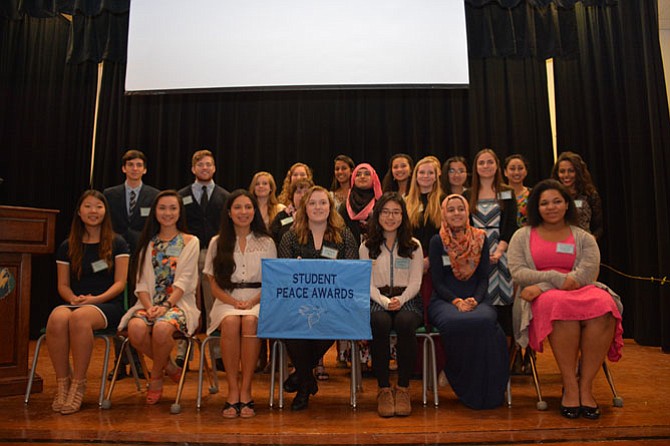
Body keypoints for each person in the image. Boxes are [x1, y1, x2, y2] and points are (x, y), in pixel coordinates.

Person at [508, 179, 623, 420]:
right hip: (543, 298)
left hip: (581, 289)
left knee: (605, 305)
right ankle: (570, 387)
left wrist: (545, 283)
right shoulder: (522, 236)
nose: (551, 207)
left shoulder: (583, 237)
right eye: (544, 203)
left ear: (567, 205)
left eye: (557, 201)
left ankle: (585, 386)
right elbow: (518, 272)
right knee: (559, 306)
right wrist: (552, 281)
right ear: (536, 208)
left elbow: (587, 274)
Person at [277, 186, 359, 411]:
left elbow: (352, 274)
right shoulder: (290, 237)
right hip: (297, 304)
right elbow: (283, 276)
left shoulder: (344, 237)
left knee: (328, 326)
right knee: (292, 330)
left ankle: (301, 378)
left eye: (323, 203)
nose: (318, 207)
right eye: (312, 203)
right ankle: (306, 382)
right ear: (305, 207)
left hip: (334, 306)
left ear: (330, 207)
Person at [48, 190, 129, 414]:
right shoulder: (67, 245)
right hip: (77, 301)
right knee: (57, 317)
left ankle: (79, 384)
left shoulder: (118, 243)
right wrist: (72, 298)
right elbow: (62, 285)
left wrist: (96, 299)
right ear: (79, 212)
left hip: (108, 303)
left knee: (79, 318)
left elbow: (120, 283)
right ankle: (63, 382)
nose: (93, 211)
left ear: (105, 211)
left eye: (99, 207)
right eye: (88, 206)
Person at [118, 190, 200, 405]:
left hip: (178, 304)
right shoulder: (148, 244)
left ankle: (155, 378)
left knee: (163, 328)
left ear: (180, 211)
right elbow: (142, 284)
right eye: (162, 208)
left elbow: (184, 282)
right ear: (155, 212)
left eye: (173, 208)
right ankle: (170, 366)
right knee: (135, 329)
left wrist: (164, 306)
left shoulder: (190, 242)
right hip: (149, 304)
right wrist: (149, 307)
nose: (167, 213)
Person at [428, 194, 508, 409]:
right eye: (451, 209)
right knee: (456, 321)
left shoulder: (480, 238)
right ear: (443, 213)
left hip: (478, 298)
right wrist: (456, 302)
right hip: (445, 300)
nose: (456, 213)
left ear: (467, 212)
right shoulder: (438, 241)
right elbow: (437, 281)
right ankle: (456, 373)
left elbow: (483, 278)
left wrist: (475, 300)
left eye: (460, 209)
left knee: (484, 321)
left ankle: (488, 389)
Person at [204, 190, 277, 418]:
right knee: (231, 322)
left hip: (259, 298)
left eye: (248, 207)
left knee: (250, 322)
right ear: (229, 212)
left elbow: (273, 281)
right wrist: (234, 301)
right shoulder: (217, 242)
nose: (243, 212)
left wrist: (252, 300)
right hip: (227, 299)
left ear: (254, 211)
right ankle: (232, 390)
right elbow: (213, 285)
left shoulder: (266, 242)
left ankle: (247, 389)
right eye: (237, 207)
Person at [359, 192, 423, 417]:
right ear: (377, 215)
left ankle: (404, 387)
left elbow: (416, 282)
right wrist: (385, 301)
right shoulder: (367, 246)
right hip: (377, 298)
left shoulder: (413, 245)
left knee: (406, 323)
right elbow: (365, 283)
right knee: (379, 322)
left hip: (408, 298)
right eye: (385, 212)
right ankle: (384, 388)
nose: (390, 217)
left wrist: (401, 300)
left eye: (396, 212)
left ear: (403, 216)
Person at [103, 149, 159, 380]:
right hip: (114, 257)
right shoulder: (109, 194)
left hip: (142, 259)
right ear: (124, 168)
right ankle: (120, 361)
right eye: (131, 165)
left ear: (144, 169)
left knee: (138, 307)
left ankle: (137, 359)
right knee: (119, 305)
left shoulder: (154, 195)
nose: (135, 169)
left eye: (139, 165)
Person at [178, 150, 229, 367]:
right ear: (193, 169)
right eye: (200, 165)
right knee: (186, 301)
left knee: (213, 302)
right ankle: (183, 352)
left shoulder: (224, 196)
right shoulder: (181, 196)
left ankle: (217, 354)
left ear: (214, 168)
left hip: (214, 253)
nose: (205, 168)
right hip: (188, 253)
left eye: (209, 164)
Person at [464, 148, 518, 338]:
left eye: (490, 162)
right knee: (480, 302)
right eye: (481, 163)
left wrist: (499, 251)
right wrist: (479, 254)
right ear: (475, 167)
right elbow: (464, 228)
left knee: (504, 305)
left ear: (497, 166)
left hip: (502, 255)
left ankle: (509, 354)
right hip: (475, 256)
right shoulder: (468, 193)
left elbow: (511, 225)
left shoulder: (507, 193)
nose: (486, 166)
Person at [550, 151, 603, 240]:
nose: (566, 175)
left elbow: (599, 227)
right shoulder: (552, 195)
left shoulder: (590, 194)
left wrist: (592, 239)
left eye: (571, 171)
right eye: (562, 171)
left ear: (578, 172)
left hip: (584, 245)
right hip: (559, 244)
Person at [339, 163, 383, 244]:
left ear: (374, 178)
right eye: (358, 174)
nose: (362, 177)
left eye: (367, 174)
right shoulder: (345, 205)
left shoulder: (381, 203)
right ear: (353, 179)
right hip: (349, 250)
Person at [270, 178, 314, 245]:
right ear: (292, 196)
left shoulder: (317, 216)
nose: (302, 196)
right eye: (298, 192)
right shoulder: (282, 216)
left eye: (306, 192)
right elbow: (272, 240)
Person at [504, 154, 531, 227]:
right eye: (512, 169)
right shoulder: (501, 194)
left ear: (526, 171)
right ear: (505, 172)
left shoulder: (532, 194)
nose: (516, 172)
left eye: (520, 168)